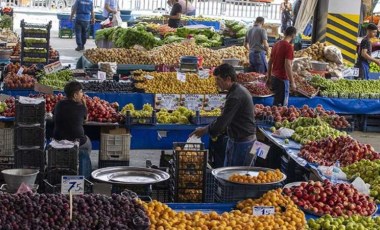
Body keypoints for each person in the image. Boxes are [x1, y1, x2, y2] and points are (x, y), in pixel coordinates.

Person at [190, 64, 256, 167]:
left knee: (237, 178)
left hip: (243, 144)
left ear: (228, 79)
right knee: (232, 176)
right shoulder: (237, 90)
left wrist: (205, 130)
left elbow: (222, 123)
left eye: (218, 80)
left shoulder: (235, 96)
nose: (216, 83)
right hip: (238, 140)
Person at [53, 81, 92, 179]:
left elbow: (54, 114)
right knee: (88, 144)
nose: (82, 94)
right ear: (75, 95)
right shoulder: (81, 106)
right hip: (76, 142)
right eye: (81, 92)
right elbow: (85, 120)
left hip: (58, 140)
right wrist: (84, 104)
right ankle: (85, 175)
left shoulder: (59, 104)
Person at [266, 26, 297, 106]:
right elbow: (288, 65)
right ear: (293, 35)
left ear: (285, 33)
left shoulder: (276, 44)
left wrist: (269, 77)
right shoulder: (289, 47)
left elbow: (269, 62)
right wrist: (292, 82)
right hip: (282, 80)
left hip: (274, 78)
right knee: (282, 107)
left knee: (276, 104)